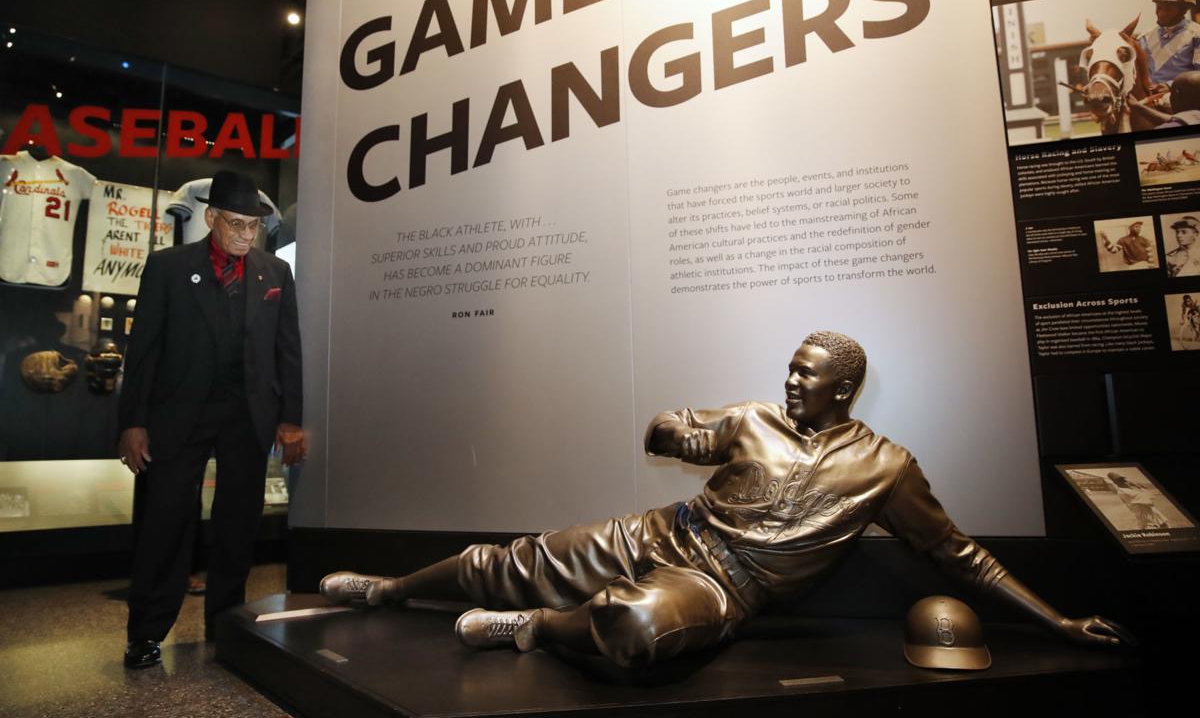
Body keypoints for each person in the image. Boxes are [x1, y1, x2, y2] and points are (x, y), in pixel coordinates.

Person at [321, 332, 1128, 669]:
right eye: (789, 367)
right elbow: (673, 433)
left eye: (806, 375)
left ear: (842, 389)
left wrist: (1055, 621)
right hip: (659, 532)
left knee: (631, 628)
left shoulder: (887, 468)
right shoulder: (752, 419)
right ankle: (388, 589)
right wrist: (672, 429)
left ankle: (532, 629)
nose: (790, 380)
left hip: (720, 586)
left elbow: (961, 554)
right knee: (506, 559)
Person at [117, 170, 305, 669]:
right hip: (178, 416)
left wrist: (291, 419)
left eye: (254, 226)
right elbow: (144, 352)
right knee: (165, 523)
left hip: (247, 415)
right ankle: (147, 632)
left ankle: (226, 628)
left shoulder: (274, 274)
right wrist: (132, 423)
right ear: (211, 218)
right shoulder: (168, 268)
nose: (246, 235)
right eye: (237, 224)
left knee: (237, 525)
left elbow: (289, 350)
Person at [1138, 0, 1199, 91]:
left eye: (1168, 9)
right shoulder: (1144, 37)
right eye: (1159, 7)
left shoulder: (1196, 35)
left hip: (1183, 99)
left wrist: (1170, 86)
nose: (1161, 13)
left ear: (1185, 9)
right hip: (1148, 99)